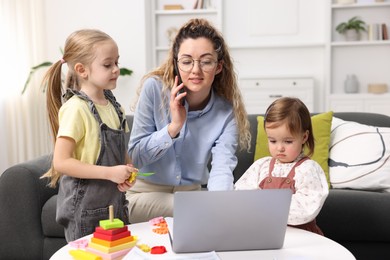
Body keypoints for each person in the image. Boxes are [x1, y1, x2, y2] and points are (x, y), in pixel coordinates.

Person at [126, 18, 251, 223]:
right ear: (176, 63)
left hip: (190, 195)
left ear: (218, 66)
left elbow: (222, 168)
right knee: (199, 210)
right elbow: (136, 157)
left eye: (206, 61)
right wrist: (173, 128)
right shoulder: (154, 89)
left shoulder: (225, 112)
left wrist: (222, 205)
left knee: (229, 208)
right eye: (186, 61)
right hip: (143, 196)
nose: (195, 70)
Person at [41, 29, 137, 242]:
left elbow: (122, 154)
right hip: (84, 211)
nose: (116, 70)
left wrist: (127, 172)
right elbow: (61, 162)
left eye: (117, 63)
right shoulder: (76, 109)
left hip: (116, 205)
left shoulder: (115, 107)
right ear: (82, 70)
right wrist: (110, 173)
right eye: (107, 64)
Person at [235, 97, 329, 235]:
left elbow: (306, 208)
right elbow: (240, 195)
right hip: (264, 231)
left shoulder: (308, 169)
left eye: (288, 141)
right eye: (272, 141)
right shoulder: (262, 166)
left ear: (304, 137)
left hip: (300, 235)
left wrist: (262, 203)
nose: (280, 148)